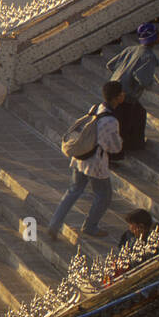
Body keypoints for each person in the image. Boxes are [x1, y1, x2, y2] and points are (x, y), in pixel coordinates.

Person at [47, 81, 126, 240]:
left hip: (80, 158)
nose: (124, 95)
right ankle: (90, 226)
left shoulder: (95, 108)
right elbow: (111, 146)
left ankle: (54, 224)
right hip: (95, 163)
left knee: (73, 191)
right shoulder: (110, 120)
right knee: (104, 195)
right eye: (122, 93)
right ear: (117, 97)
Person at [107, 23, 159, 152]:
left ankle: (131, 145)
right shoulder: (149, 56)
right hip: (125, 95)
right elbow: (143, 79)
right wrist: (150, 84)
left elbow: (110, 65)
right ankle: (132, 146)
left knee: (137, 113)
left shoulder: (130, 49)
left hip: (112, 88)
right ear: (154, 38)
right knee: (129, 119)